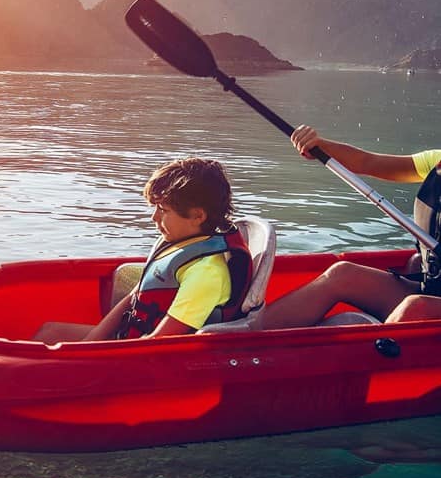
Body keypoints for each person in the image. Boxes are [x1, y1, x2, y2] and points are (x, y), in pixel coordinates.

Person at [34, 157, 252, 343]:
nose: (154, 217)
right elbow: (134, 295)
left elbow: (160, 341)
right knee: (50, 332)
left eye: (163, 210)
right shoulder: (179, 245)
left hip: (152, 355)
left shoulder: (205, 272)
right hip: (131, 336)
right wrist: (91, 340)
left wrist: (90, 355)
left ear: (198, 216)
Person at [251, 125, 441, 329]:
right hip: (432, 286)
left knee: (415, 307)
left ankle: (369, 354)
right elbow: (368, 162)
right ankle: (241, 340)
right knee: (343, 275)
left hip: (426, 303)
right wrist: (320, 146)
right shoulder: (435, 161)